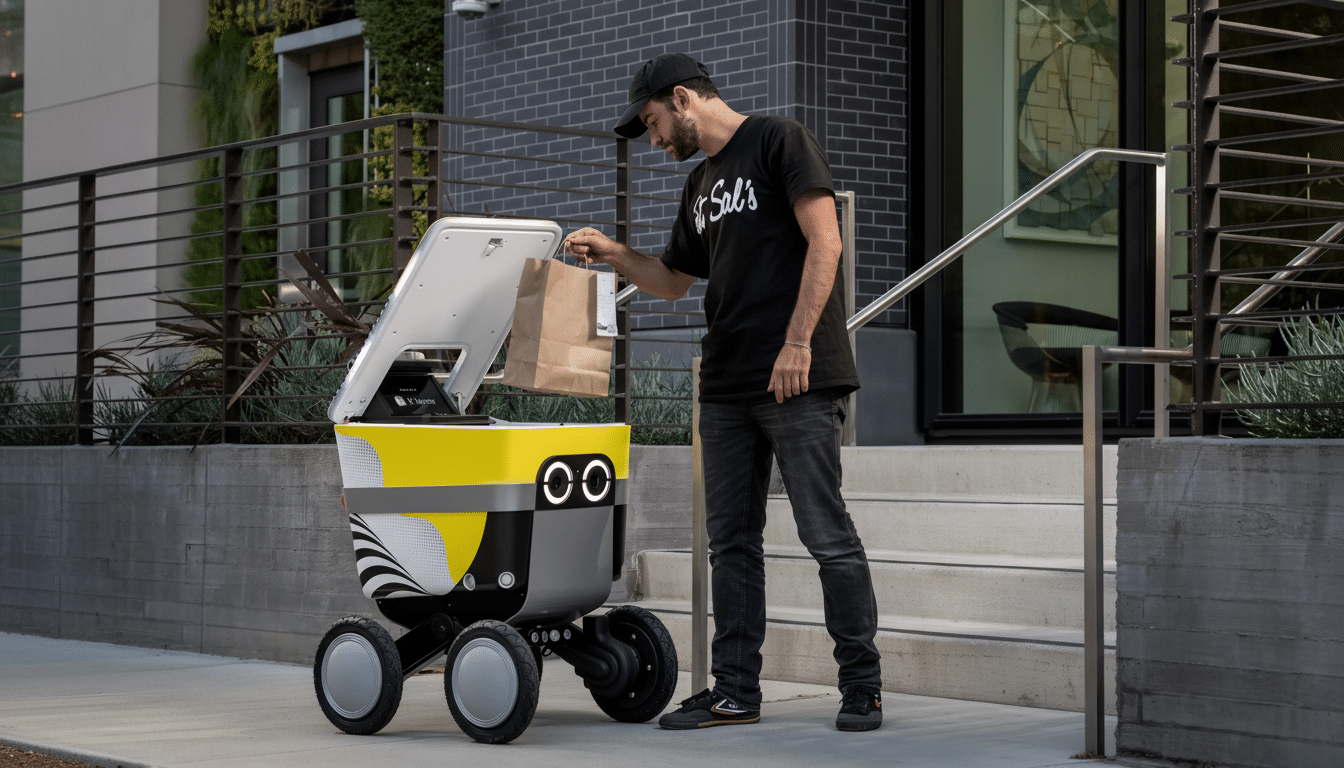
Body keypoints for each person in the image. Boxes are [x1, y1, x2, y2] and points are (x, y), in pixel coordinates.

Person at [563, 53, 883, 732]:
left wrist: (798, 342)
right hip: (727, 383)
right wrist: (616, 253)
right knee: (730, 543)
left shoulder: (777, 140)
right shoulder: (699, 185)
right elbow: (676, 280)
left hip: (796, 374)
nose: (653, 140)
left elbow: (826, 241)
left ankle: (862, 685)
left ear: (683, 99)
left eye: (652, 123)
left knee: (827, 535)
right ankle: (735, 690)